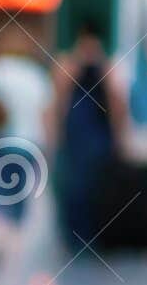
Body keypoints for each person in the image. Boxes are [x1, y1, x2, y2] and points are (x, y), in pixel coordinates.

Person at [52, 21, 126, 254]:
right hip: (88, 135)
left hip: (86, 135)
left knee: (82, 185)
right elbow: (117, 104)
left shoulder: (89, 65)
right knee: (83, 185)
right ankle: (84, 235)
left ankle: (83, 235)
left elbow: (60, 101)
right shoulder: (101, 65)